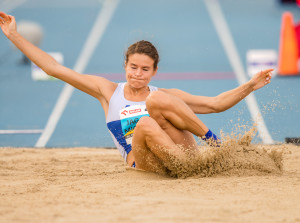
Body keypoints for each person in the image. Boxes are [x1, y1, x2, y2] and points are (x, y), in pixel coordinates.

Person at [0, 12, 273, 175]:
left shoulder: (161, 94)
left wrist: (250, 85)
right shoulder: (107, 91)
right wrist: (13, 35)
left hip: (181, 155)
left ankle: (215, 146)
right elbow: (54, 68)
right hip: (144, 164)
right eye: (133, 67)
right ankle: (190, 171)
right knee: (145, 122)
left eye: (145, 69)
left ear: (154, 71)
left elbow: (214, 104)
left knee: (158, 101)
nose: (138, 74)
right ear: (125, 66)